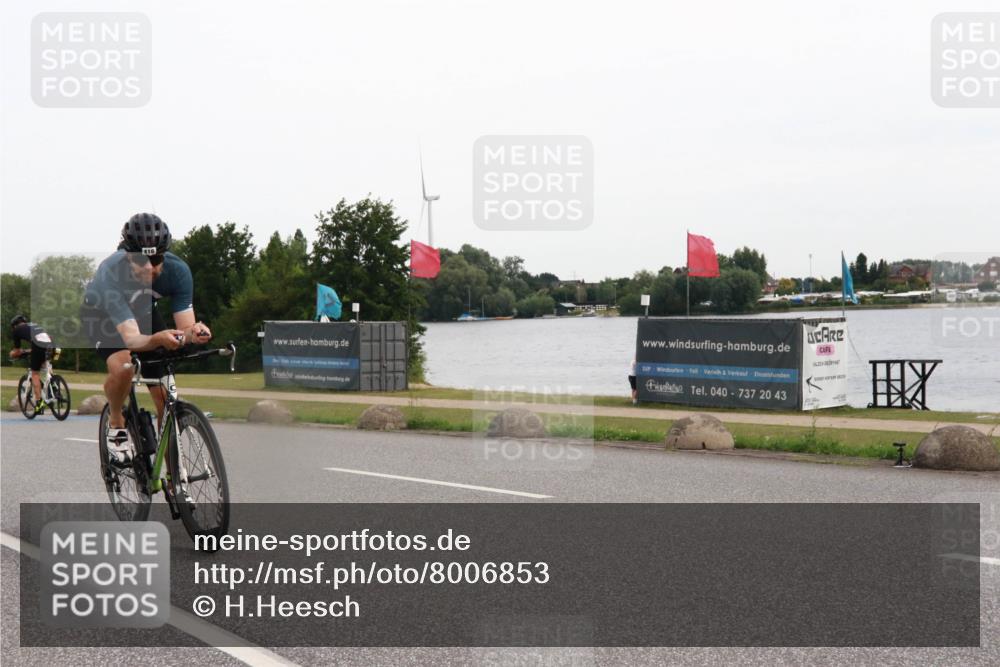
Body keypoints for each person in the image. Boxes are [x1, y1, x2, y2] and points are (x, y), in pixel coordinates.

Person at [81, 213, 212, 462]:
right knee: (124, 367)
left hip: (143, 313)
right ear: (127, 255)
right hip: (101, 317)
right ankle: (116, 421)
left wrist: (194, 333)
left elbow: (185, 329)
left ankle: (174, 477)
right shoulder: (111, 271)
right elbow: (131, 340)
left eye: (156, 259)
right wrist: (159, 339)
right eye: (141, 260)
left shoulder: (178, 271)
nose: (150, 267)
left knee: (165, 398)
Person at [9, 315, 56, 413]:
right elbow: (41, 340)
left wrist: (12, 354)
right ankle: (53, 385)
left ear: (15, 325)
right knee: (45, 366)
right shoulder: (34, 325)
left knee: (35, 373)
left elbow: (17, 351)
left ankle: (39, 404)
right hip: (51, 344)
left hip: (38, 346)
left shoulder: (17, 330)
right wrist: (30, 350)